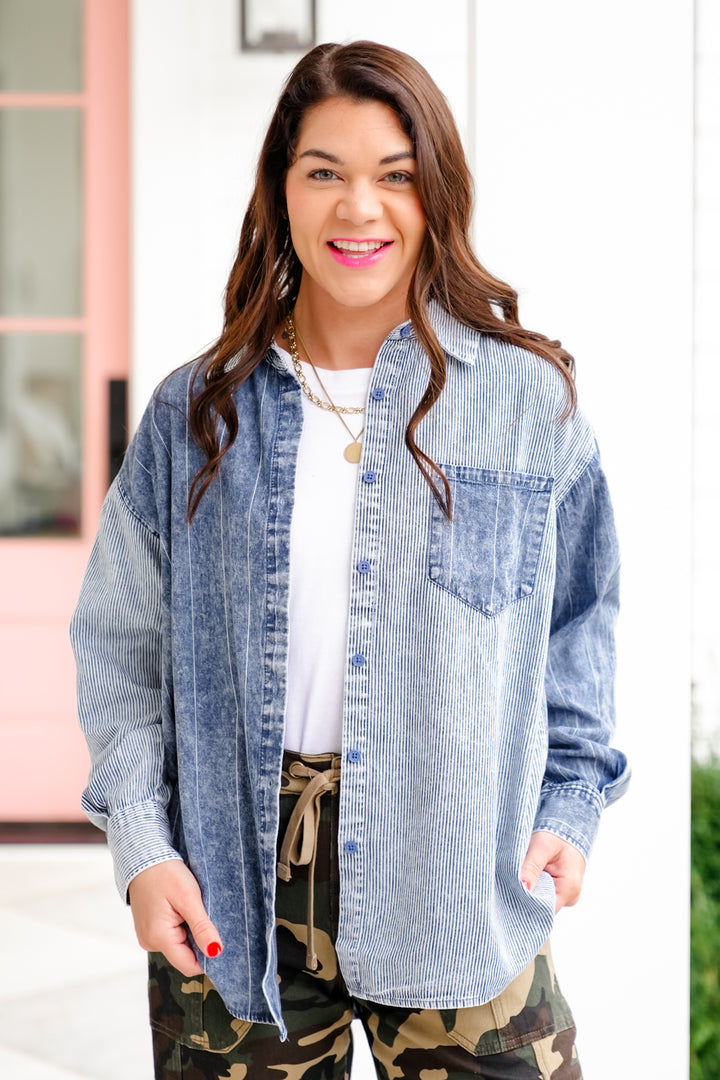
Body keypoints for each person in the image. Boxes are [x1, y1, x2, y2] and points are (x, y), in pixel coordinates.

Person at [71, 40, 629, 1080]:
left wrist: (570, 806)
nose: (358, 207)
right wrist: (143, 847)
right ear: (281, 190)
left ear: (436, 193)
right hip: (236, 887)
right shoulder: (197, 412)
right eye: (324, 170)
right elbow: (120, 647)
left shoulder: (527, 404)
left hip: (460, 877)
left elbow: (579, 625)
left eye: (395, 175)